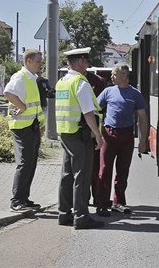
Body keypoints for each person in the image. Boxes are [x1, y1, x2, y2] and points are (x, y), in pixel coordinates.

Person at [55, 47, 105, 229]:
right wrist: (98, 136)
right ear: (79, 61)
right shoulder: (80, 83)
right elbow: (88, 113)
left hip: (66, 132)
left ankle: (63, 214)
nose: (87, 64)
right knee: (81, 176)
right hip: (80, 134)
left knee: (67, 174)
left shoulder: (62, 82)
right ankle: (82, 216)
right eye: (85, 61)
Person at [94, 63, 148, 217]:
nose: (111, 77)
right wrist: (96, 133)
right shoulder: (108, 91)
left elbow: (143, 118)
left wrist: (143, 141)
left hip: (127, 136)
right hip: (109, 134)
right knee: (104, 170)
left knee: (123, 171)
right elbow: (94, 108)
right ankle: (102, 204)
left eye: (114, 74)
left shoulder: (135, 94)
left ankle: (119, 202)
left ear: (124, 75)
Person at [3, 49, 45, 212]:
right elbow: (8, 93)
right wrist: (22, 106)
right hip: (22, 128)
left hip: (31, 127)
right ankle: (16, 201)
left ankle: (24, 198)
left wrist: (40, 126)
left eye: (41, 62)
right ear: (28, 61)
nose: (40, 65)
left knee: (31, 163)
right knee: (25, 163)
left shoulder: (31, 78)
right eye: (38, 62)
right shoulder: (20, 77)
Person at [84, 70, 106, 204]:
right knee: (83, 169)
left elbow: (101, 107)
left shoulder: (98, 81)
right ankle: (83, 199)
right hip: (78, 130)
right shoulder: (73, 81)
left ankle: (97, 198)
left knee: (95, 168)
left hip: (94, 130)